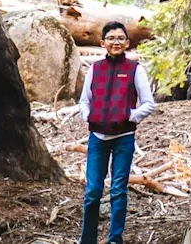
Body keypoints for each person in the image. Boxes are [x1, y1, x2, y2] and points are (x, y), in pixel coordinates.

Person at [77, 21, 156, 244]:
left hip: (124, 139)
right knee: (93, 191)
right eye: (111, 38)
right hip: (97, 138)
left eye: (120, 38)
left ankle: (115, 239)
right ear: (102, 43)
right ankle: (87, 239)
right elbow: (84, 101)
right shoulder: (95, 69)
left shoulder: (135, 70)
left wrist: (129, 116)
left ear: (127, 43)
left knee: (118, 191)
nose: (116, 42)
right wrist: (89, 116)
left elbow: (148, 104)